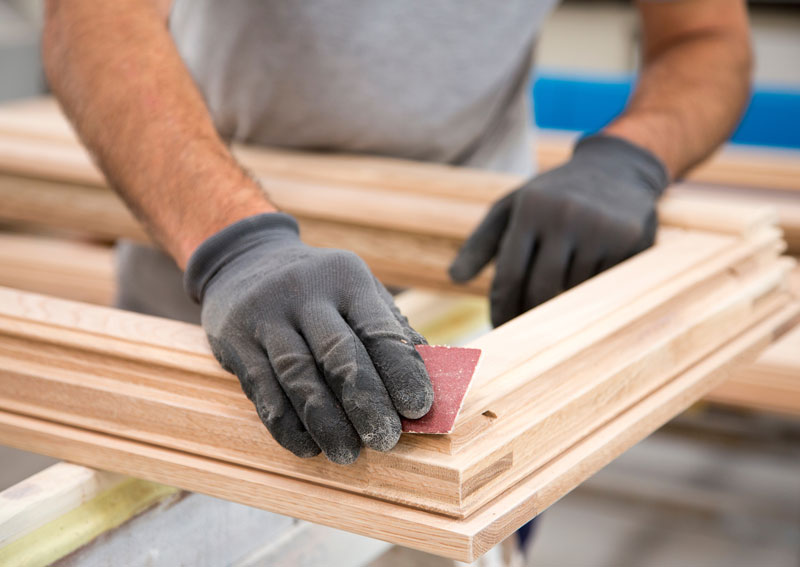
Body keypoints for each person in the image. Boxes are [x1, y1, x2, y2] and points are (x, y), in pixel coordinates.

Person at [42, 1, 752, 468]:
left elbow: (706, 36)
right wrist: (233, 241)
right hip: (222, 307)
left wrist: (632, 155)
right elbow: (95, 19)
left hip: (482, 312)